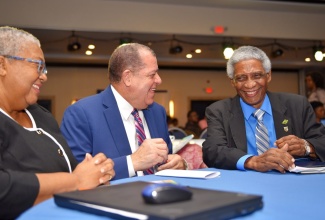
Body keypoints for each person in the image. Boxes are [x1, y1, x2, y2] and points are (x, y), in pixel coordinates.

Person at [0, 26, 115, 219]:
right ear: (2, 65)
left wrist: (97, 172)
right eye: (37, 65)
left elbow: (71, 169)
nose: (44, 76)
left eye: (44, 68)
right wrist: (76, 181)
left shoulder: (41, 116)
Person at [60, 43, 186, 180]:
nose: (159, 80)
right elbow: (75, 176)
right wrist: (132, 162)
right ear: (128, 78)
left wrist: (178, 164)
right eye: (152, 74)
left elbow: (166, 161)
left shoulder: (158, 112)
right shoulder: (81, 114)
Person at [202, 45, 325, 174]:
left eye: (257, 76)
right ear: (232, 82)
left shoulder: (297, 105)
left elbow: (322, 140)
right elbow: (212, 151)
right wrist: (252, 161)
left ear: (268, 76)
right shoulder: (218, 111)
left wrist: (306, 147)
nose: (250, 85)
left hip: (291, 182)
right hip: (244, 184)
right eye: (241, 78)